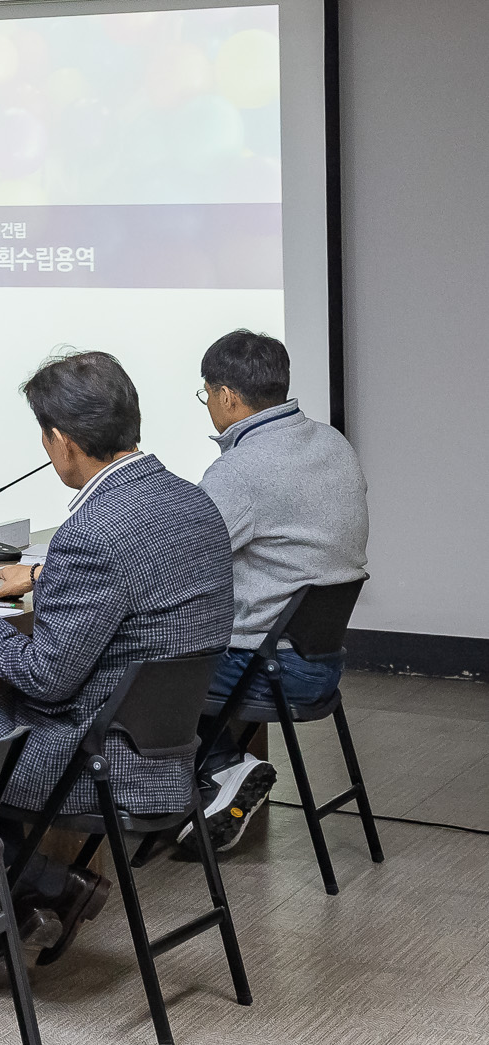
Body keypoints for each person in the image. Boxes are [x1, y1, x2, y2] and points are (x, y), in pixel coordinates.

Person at [0, 351, 233, 956]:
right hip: (169, 750)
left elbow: (47, 678)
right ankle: (36, 897)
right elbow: (139, 584)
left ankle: (41, 894)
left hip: (100, 761)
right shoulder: (190, 503)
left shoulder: (92, 530)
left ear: (62, 440)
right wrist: (46, 576)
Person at [191, 329, 370, 850]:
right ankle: (214, 776)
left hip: (269, 672)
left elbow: (177, 563)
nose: (208, 406)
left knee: (133, 661)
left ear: (226, 395)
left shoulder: (242, 469)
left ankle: (218, 768)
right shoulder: (333, 443)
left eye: (206, 395)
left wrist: (43, 575)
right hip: (321, 664)